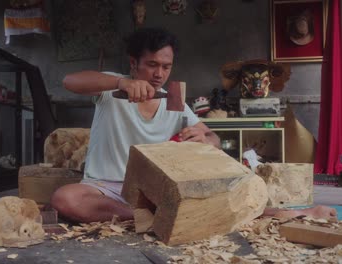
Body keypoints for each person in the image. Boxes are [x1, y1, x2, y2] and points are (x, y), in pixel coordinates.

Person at [51, 27, 337, 223]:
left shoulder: (173, 97)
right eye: (151, 65)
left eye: (166, 66)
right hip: (106, 189)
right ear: (133, 62)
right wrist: (120, 83)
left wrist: (205, 138)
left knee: (230, 191)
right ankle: (148, 216)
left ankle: (293, 214)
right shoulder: (111, 87)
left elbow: (212, 137)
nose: (159, 74)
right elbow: (69, 81)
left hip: (154, 190)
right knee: (66, 198)